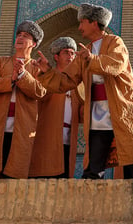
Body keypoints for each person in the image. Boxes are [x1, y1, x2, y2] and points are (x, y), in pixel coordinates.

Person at [39, 3, 133, 179]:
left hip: (120, 109)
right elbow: (67, 81)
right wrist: (47, 72)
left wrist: (92, 59)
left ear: (94, 23)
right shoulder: (87, 50)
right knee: (94, 166)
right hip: (97, 114)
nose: (79, 27)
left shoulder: (115, 42)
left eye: (82, 22)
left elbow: (116, 65)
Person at [0, 20, 47, 178]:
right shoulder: (1, 62)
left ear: (33, 44)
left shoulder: (36, 67)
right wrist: (11, 80)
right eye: (19, 35)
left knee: (13, 173)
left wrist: (22, 75)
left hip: (22, 127)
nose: (20, 38)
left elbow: (40, 92)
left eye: (26, 36)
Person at [29, 36, 83, 178]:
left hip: (70, 137)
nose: (70, 56)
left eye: (72, 53)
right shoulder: (43, 76)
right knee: (44, 175)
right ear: (56, 56)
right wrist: (49, 76)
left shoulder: (77, 83)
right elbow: (39, 96)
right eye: (66, 52)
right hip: (48, 135)